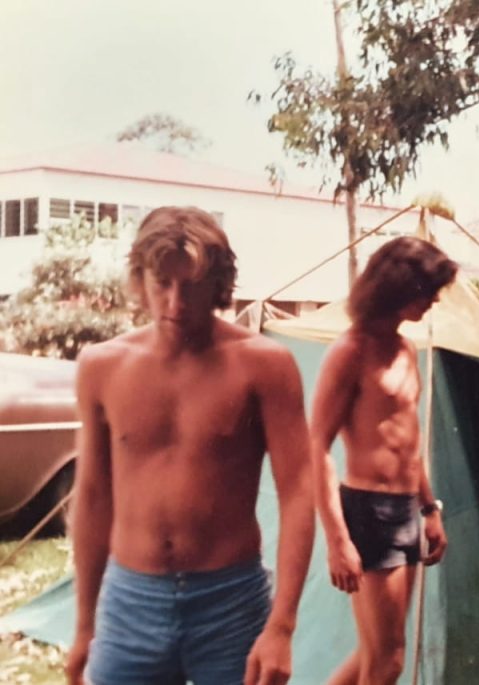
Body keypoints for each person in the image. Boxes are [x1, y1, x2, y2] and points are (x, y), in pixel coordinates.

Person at [66, 207, 314, 685]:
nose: (176, 304)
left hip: (230, 601)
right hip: (129, 599)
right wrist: (83, 626)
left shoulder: (264, 366)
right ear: (140, 279)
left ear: (218, 285)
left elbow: (298, 492)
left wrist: (282, 625)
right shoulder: (102, 366)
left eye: (192, 286)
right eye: (163, 283)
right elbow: (94, 495)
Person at [309, 236, 458, 685]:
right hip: (368, 511)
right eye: (427, 290)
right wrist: (337, 540)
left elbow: (408, 442)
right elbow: (315, 446)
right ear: (397, 287)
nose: (433, 300)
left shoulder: (407, 350)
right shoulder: (350, 351)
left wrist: (430, 508)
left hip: (405, 511)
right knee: (387, 663)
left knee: (375, 655)